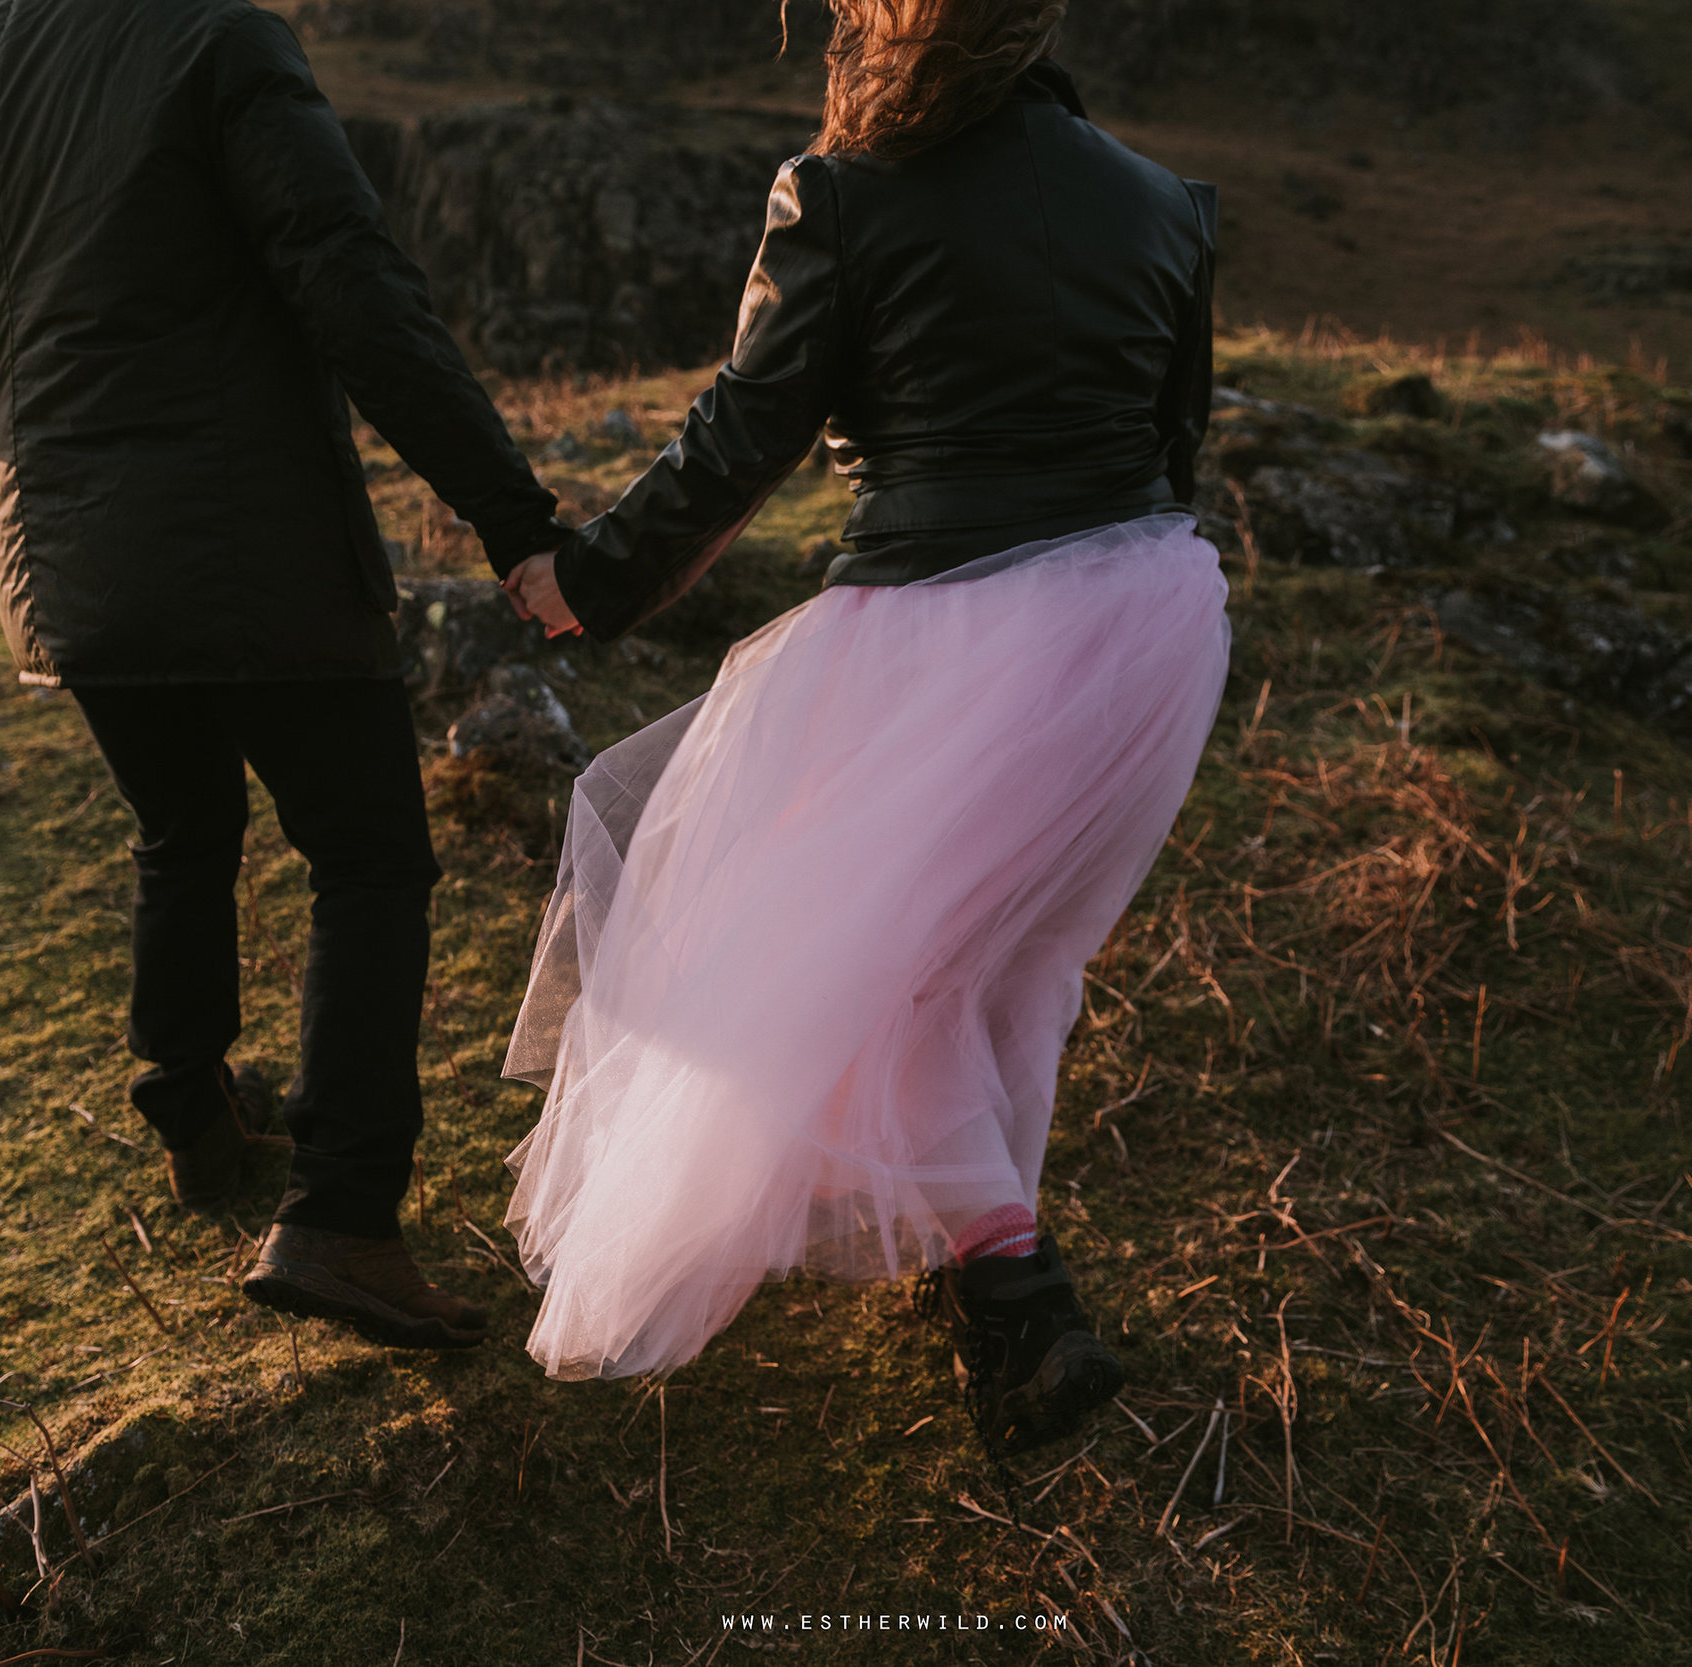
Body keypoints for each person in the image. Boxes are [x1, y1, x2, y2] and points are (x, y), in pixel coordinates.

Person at [495, 0, 1226, 1455]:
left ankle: (1020, 1300)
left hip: (951, 621)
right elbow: (1171, 438)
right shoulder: (1162, 202)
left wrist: (586, 580)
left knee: (869, 966)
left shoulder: (843, 193)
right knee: (1009, 954)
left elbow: (739, 436)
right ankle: (988, 1269)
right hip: (1149, 612)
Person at [0, 0, 572, 1350]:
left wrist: (18, 427)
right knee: (368, 853)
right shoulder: (213, 36)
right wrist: (509, 516)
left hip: (58, 551)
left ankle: (190, 1104)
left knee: (183, 822)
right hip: (247, 534)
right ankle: (340, 1214)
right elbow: (353, 280)